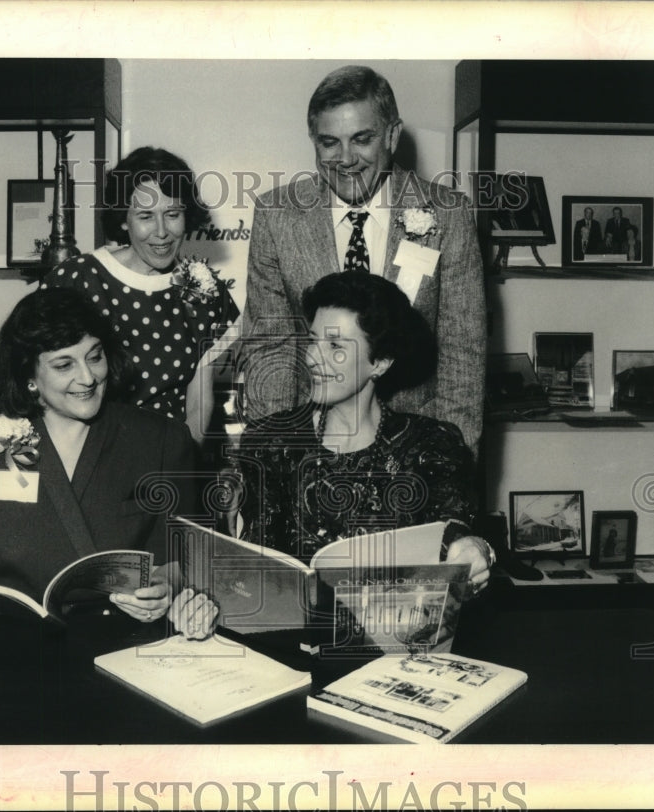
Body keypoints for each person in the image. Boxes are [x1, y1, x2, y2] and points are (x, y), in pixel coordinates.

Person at [0, 287, 217, 638]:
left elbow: (183, 560)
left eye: (95, 357)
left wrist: (163, 588)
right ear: (29, 376)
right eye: (64, 364)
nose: (87, 378)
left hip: (121, 644)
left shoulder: (160, 440)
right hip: (0, 648)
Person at [240, 65, 485, 453]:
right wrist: (276, 455)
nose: (346, 158)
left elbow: (462, 356)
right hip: (314, 445)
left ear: (392, 134)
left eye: (362, 139)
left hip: (415, 446)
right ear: (313, 141)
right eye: (329, 143)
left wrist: (450, 458)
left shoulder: (447, 214)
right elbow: (270, 348)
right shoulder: (277, 215)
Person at [231, 272, 493, 595]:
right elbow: (256, 563)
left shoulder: (431, 445)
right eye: (313, 340)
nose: (313, 358)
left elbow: (454, 532)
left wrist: (473, 549)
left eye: (336, 346)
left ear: (380, 363)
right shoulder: (270, 442)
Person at [41, 147, 239, 447]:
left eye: (172, 214)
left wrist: (187, 463)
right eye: (146, 216)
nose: (162, 232)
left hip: (174, 458)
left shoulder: (205, 290)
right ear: (123, 219)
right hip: (89, 458)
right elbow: (37, 377)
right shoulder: (78, 279)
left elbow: (211, 395)